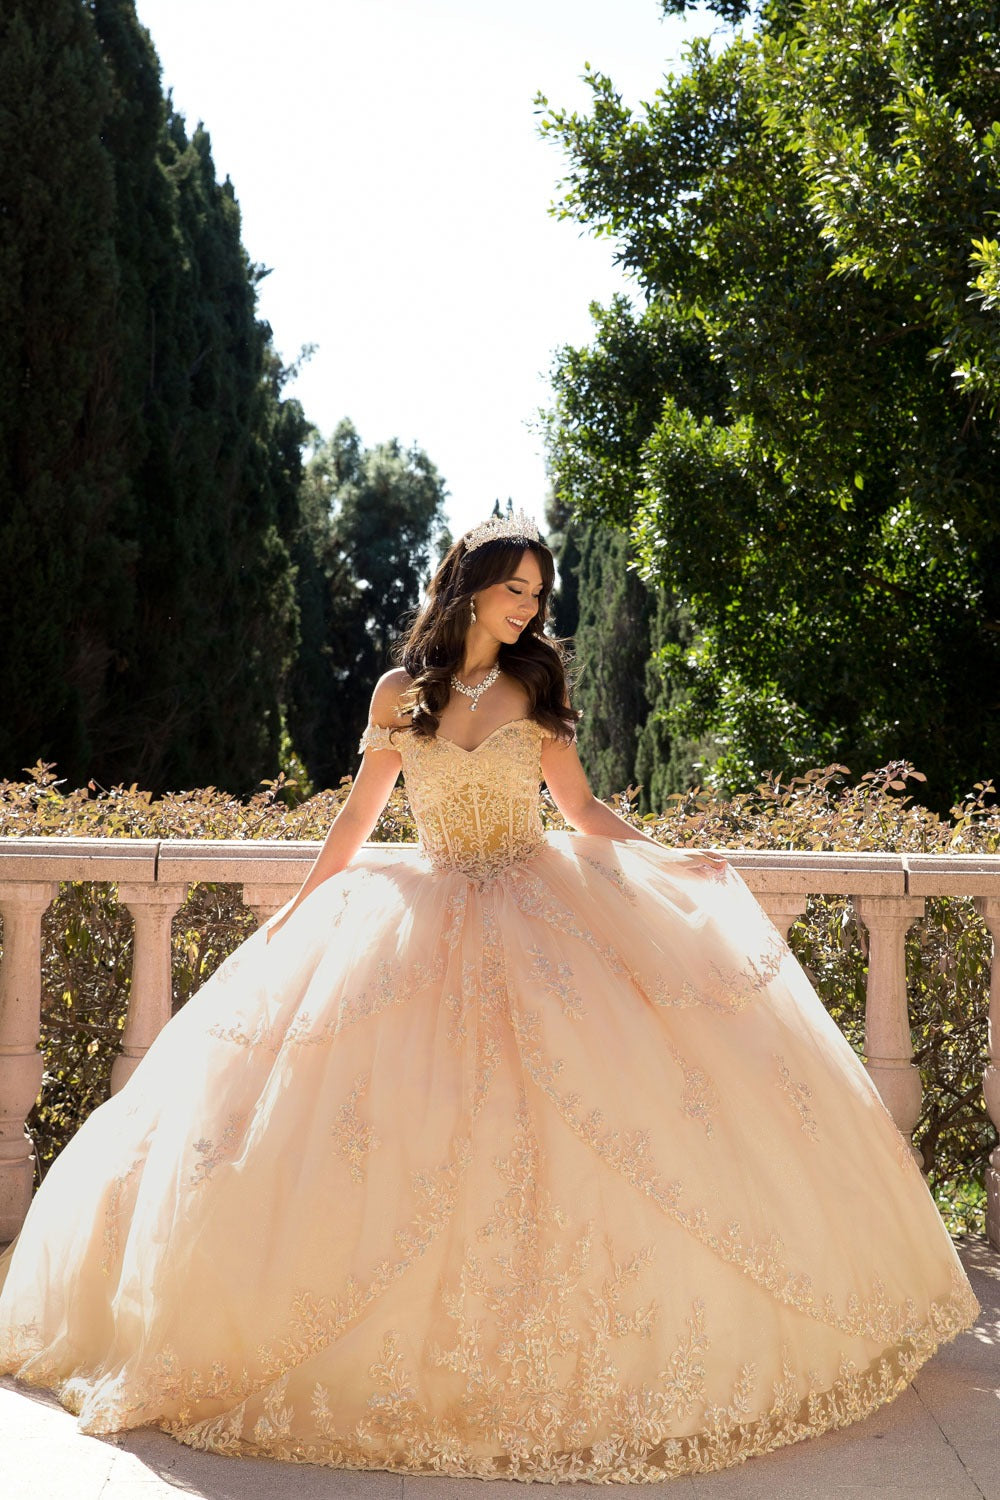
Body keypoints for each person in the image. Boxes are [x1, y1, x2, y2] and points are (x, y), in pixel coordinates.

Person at [0, 511, 979, 1483]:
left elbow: (583, 809)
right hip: (421, 910)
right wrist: (298, 908)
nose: (527, 609)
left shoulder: (534, 687)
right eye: (515, 590)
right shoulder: (399, 693)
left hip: (536, 907)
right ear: (469, 584)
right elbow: (356, 816)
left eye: (537, 597)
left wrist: (670, 854)